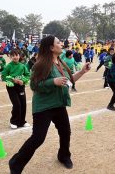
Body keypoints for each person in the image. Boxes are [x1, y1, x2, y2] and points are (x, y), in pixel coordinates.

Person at [9, 35, 90, 173]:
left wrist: (82, 71)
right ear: (51, 48)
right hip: (44, 106)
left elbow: (69, 81)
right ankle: (16, 163)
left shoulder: (60, 62)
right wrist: (53, 82)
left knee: (65, 132)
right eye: (58, 42)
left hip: (59, 104)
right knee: (38, 138)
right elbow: (34, 85)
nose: (62, 44)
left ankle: (63, 156)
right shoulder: (41, 64)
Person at [2, 49, 30, 129]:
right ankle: (14, 121)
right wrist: (12, 80)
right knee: (17, 104)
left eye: (16, 55)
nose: (15, 57)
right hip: (11, 87)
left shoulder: (22, 66)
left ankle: (22, 121)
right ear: (10, 57)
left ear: (19, 56)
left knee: (23, 104)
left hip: (21, 87)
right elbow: (3, 76)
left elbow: (28, 75)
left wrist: (23, 81)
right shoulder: (9, 66)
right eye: (13, 56)